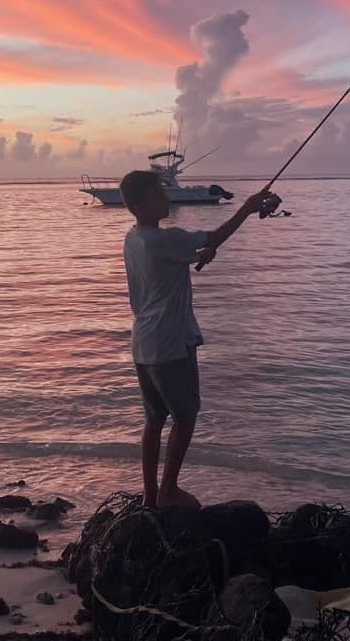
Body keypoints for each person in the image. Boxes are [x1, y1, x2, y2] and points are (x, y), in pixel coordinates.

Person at [118, 170, 280, 509]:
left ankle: (150, 495)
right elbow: (216, 236)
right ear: (140, 204)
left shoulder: (134, 239)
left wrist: (199, 255)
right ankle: (169, 491)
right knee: (186, 417)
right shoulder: (166, 240)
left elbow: (178, 261)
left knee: (154, 420)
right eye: (159, 194)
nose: (166, 198)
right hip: (171, 342)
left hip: (143, 344)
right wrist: (247, 208)